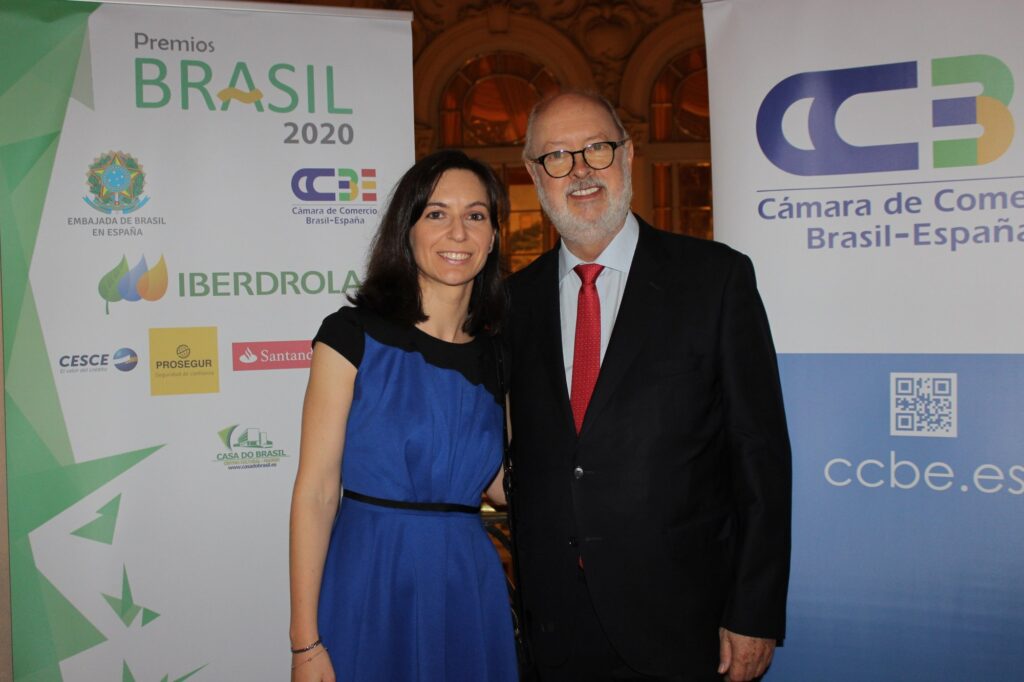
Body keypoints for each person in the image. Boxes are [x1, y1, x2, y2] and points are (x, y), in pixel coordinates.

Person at [506, 91, 792, 682]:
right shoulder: (511, 302)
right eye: (557, 156)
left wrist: (754, 610)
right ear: (534, 175)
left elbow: (759, 458)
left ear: (629, 154)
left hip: (684, 624)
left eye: (597, 148)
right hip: (555, 628)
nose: (580, 170)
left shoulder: (715, 280)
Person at [289, 149, 518, 682]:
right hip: (370, 576)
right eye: (436, 213)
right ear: (407, 229)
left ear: (492, 237)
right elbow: (316, 493)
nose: (458, 232)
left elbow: (504, 487)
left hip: (466, 582)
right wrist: (304, 641)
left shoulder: (501, 356)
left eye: (476, 215)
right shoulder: (351, 335)